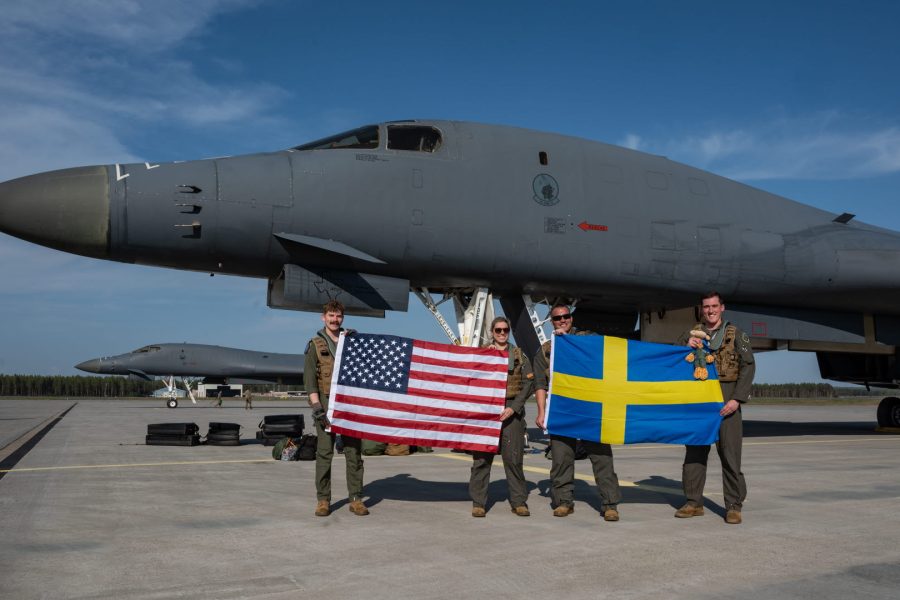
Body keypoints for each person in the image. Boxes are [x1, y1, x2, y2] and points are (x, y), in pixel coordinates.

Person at [533, 304, 622, 521]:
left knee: (602, 458)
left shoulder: (587, 338)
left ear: (571, 319)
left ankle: (610, 504)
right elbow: (539, 384)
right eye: (557, 318)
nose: (562, 320)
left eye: (566, 316)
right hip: (562, 412)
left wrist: (571, 342)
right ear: (551, 322)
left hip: (590, 410)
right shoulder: (545, 350)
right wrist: (541, 412)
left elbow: (605, 350)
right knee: (561, 459)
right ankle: (564, 501)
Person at [675, 291, 755, 525]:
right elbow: (674, 355)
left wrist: (737, 399)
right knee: (695, 453)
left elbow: (748, 366)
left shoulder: (737, 334)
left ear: (722, 308)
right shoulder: (691, 334)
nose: (709, 310)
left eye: (713, 306)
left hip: (727, 396)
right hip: (700, 400)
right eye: (706, 307)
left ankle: (733, 506)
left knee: (730, 454)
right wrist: (684, 344)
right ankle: (693, 502)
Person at [304, 300, 367, 517]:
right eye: (331, 315)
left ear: (343, 318)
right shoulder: (315, 345)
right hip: (325, 404)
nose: (334, 319)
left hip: (349, 405)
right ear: (324, 317)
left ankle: (356, 498)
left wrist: (359, 341)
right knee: (324, 453)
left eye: (338, 316)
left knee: (354, 453)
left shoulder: (351, 341)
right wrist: (317, 407)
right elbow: (310, 380)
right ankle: (323, 500)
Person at [469, 316, 535, 517]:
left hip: (510, 409)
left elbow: (528, 384)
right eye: (498, 330)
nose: (502, 333)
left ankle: (518, 501)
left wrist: (514, 408)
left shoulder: (519, 355)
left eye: (505, 330)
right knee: (481, 458)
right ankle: (478, 503)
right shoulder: (482, 355)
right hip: (486, 411)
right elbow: (469, 379)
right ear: (492, 332)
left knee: (514, 458)